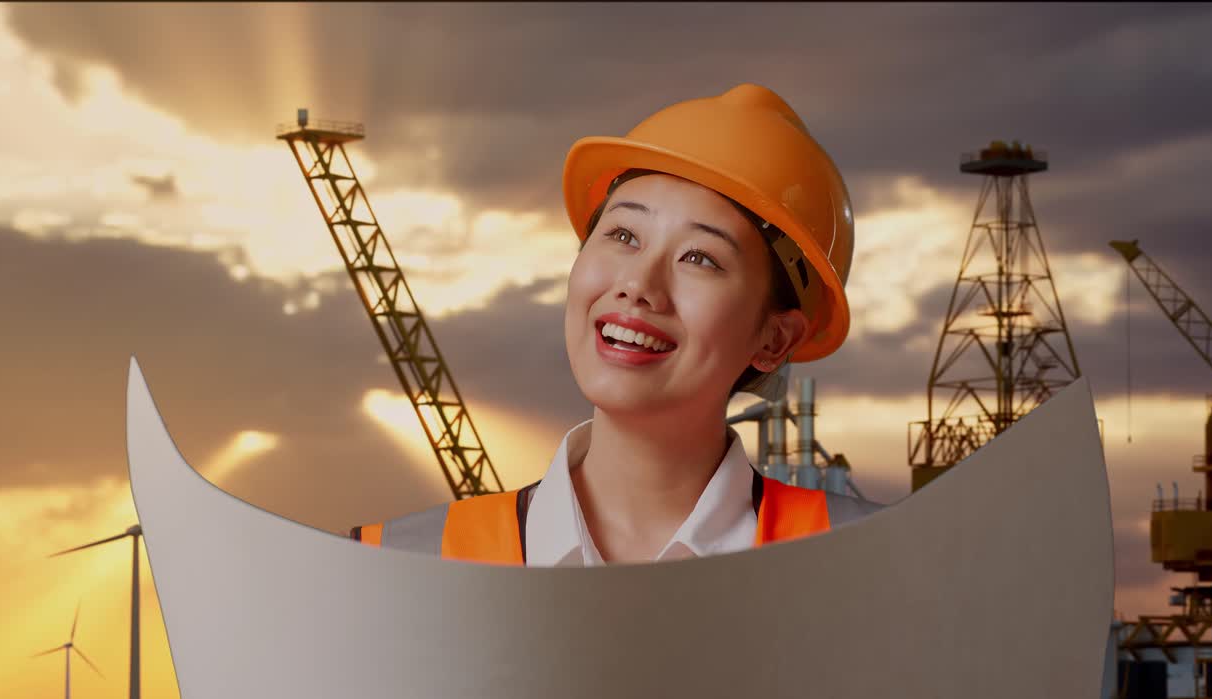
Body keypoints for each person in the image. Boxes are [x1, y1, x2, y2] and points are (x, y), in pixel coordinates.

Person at [351, 83, 885, 565]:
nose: (638, 284)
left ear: (775, 339)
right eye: (624, 236)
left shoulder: (869, 565)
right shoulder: (394, 567)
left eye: (700, 257)